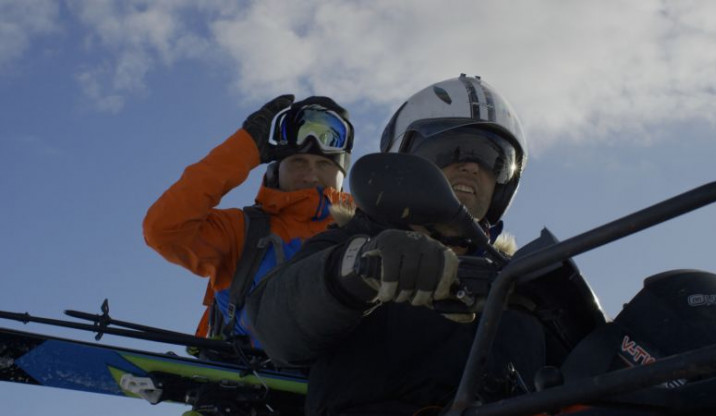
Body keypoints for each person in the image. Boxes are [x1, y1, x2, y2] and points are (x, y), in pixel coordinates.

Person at [246, 75, 544, 415]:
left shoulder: (523, 282)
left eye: (493, 159)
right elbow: (274, 324)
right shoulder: (351, 242)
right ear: (405, 160)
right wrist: (360, 270)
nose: (472, 167)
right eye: (455, 150)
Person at [142, 94, 354, 346]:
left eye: (323, 165)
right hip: (252, 365)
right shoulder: (242, 231)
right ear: (277, 168)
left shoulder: (366, 228)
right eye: (298, 162)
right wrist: (245, 149)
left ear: (342, 174)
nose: (310, 175)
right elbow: (164, 229)